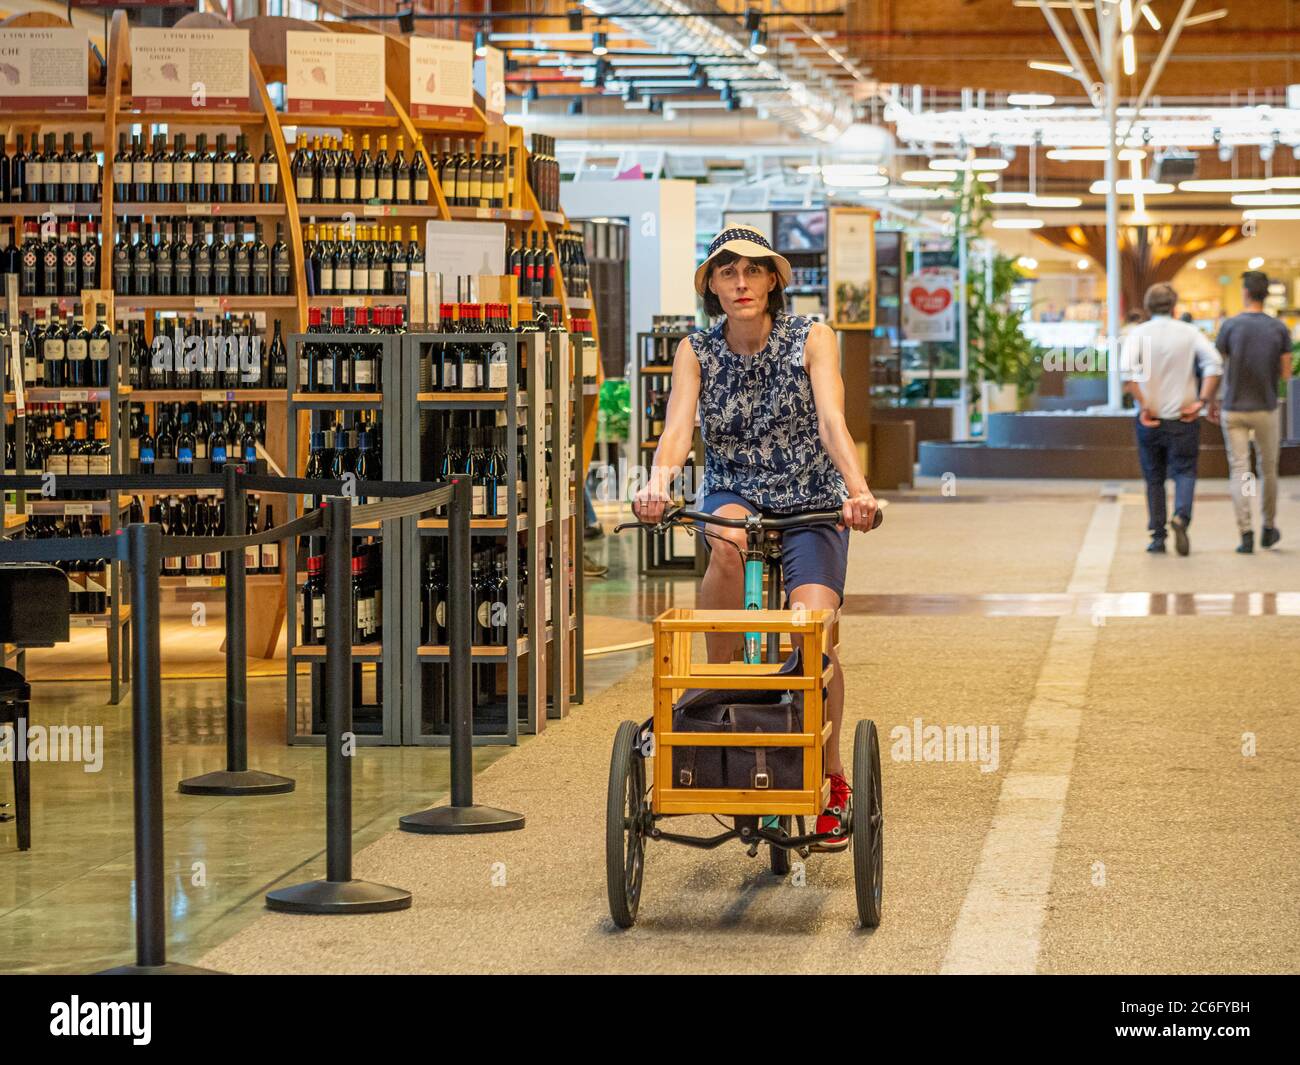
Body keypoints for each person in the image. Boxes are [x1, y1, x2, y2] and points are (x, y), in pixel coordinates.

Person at [632, 224, 879, 849]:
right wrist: (657, 484)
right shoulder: (698, 349)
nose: (740, 283)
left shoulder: (811, 337)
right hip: (735, 490)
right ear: (712, 286)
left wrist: (858, 490)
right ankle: (722, 693)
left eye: (752, 271)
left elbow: (831, 419)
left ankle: (831, 775)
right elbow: (677, 432)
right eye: (726, 272)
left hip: (812, 498)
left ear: (773, 280)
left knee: (815, 632)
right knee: (727, 537)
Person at [1120, 283, 1223, 555]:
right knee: (1185, 471)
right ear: (1174, 306)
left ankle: (1157, 536)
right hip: (1183, 416)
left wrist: (1144, 406)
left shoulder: (1137, 334)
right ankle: (1181, 517)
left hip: (1149, 419)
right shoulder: (1190, 333)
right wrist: (1201, 401)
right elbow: (1214, 364)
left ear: (1148, 307)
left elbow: (1128, 375)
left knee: (1154, 478)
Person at [1213, 269, 1292, 553]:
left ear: (1245, 293)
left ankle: (1245, 533)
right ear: (1266, 295)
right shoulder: (1279, 329)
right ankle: (1268, 527)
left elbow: (1218, 366)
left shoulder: (1230, 326)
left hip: (1233, 408)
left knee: (1241, 470)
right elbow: (1285, 373)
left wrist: (1211, 399)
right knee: (1268, 469)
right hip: (1265, 408)